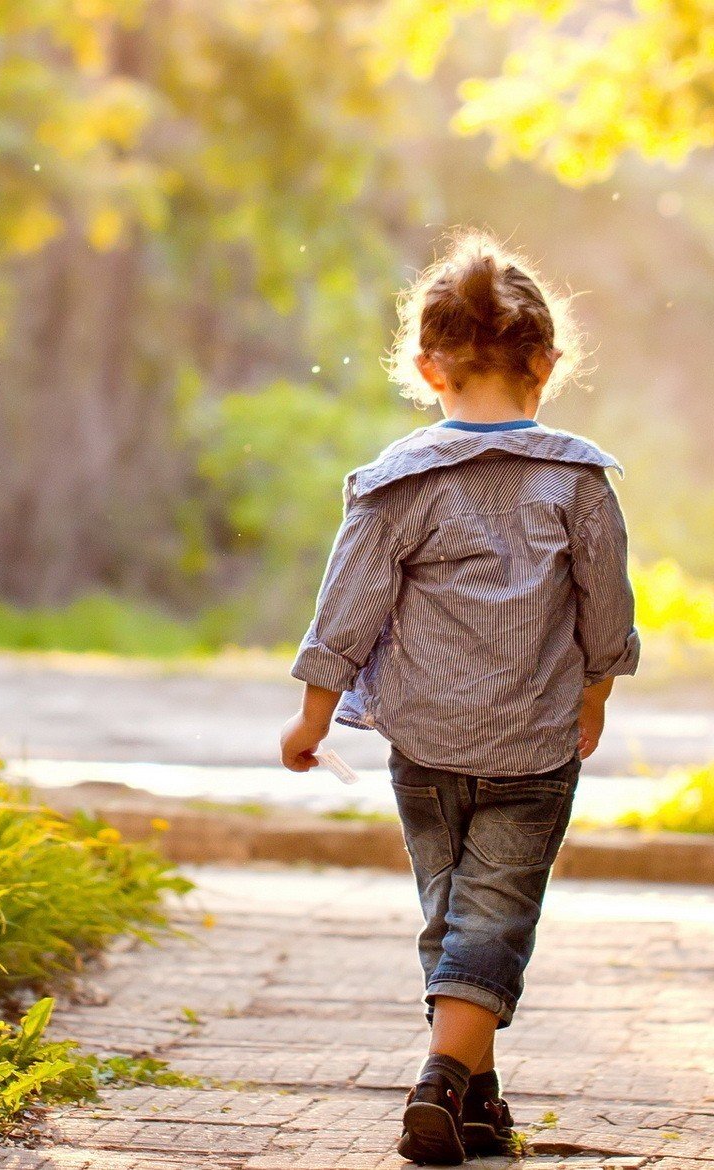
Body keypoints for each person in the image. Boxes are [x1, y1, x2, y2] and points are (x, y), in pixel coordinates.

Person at [278, 231, 639, 1165]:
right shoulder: (579, 483)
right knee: (494, 912)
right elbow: (608, 607)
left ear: (429, 367)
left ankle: (474, 1100)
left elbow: (344, 614)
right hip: (535, 745)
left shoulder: (399, 485)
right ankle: (444, 1086)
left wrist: (313, 719)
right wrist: (596, 690)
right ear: (546, 365)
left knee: (454, 914)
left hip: (426, 746)